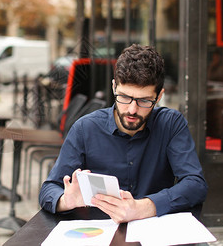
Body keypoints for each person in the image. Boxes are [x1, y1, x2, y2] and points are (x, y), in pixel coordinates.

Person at [39, 44, 207, 223]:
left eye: (144, 101)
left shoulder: (171, 124)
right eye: (125, 97)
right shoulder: (85, 129)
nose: (132, 110)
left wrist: (143, 207)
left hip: (154, 233)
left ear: (158, 97)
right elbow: (49, 190)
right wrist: (66, 201)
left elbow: (196, 185)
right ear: (114, 87)